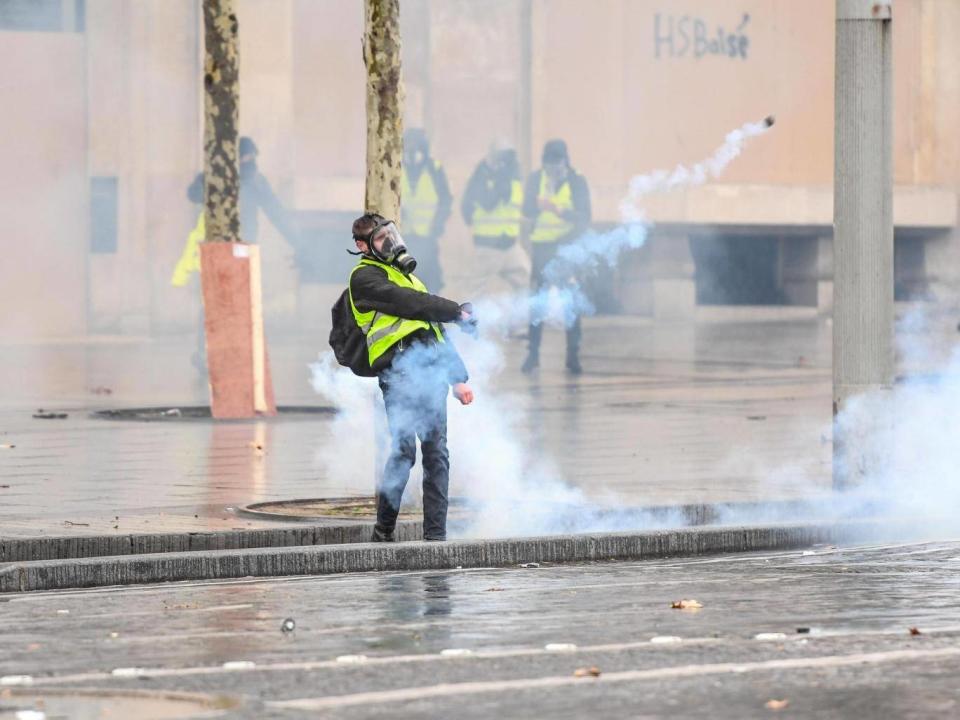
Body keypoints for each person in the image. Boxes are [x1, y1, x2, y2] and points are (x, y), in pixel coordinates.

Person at [348, 212, 476, 542]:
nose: (390, 243)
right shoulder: (364, 279)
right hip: (398, 375)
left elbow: (432, 331)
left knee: (436, 454)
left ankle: (435, 538)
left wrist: (456, 377)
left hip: (430, 374)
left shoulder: (408, 277)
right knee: (404, 452)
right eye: (380, 239)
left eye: (391, 235)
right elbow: (411, 305)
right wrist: (456, 311)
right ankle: (384, 529)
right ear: (363, 246)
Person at [173, 136, 300, 371]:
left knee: (241, 302)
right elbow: (193, 194)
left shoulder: (256, 181)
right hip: (218, 248)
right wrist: (210, 179)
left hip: (244, 249)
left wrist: (298, 243)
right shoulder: (217, 175)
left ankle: (235, 352)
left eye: (252, 158)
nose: (249, 162)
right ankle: (207, 351)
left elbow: (276, 213)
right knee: (214, 302)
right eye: (245, 157)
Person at [521, 139, 592, 375]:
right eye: (548, 165)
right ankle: (533, 354)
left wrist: (559, 211)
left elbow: (584, 218)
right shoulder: (536, 179)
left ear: (565, 161)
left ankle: (573, 355)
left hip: (566, 250)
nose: (552, 170)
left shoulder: (577, 181)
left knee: (570, 302)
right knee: (538, 302)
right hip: (542, 248)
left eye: (557, 164)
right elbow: (526, 210)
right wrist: (538, 206)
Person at [460, 143, 530, 298]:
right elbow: (486, 204)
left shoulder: (514, 181)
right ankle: (470, 321)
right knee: (476, 290)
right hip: (488, 246)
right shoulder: (483, 179)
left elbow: (513, 209)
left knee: (524, 282)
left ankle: (516, 319)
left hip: (510, 245)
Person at [401, 128, 452, 293]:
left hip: (427, 238)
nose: (412, 151)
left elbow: (446, 199)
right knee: (404, 282)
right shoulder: (396, 167)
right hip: (403, 238)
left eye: (416, 147)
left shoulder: (434, 169)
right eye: (408, 147)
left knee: (431, 282)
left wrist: (438, 225)